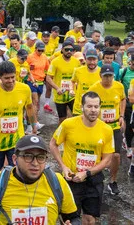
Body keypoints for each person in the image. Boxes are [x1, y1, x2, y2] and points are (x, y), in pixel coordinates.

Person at [50, 92, 114, 225]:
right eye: (89, 106)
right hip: (71, 179)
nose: (93, 110)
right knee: (69, 220)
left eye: (96, 107)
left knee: (90, 220)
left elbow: (107, 159)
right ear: (81, 106)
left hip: (93, 180)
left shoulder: (106, 130)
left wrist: (87, 173)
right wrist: (63, 166)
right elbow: (53, 144)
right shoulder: (68, 124)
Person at [0, 61, 35, 171]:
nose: (11, 81)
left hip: (16, 141)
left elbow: (29, 108)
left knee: (18, 173)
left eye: (12, 77)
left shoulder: (24, 89)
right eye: (7, 78)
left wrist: (34, 126)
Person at [88, 64, 126, 195]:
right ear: (100, 76)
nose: (108, 79)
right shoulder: (94, 89)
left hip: (114, 125)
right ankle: (93, 177)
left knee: (116, 155)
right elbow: (88, 106)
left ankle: (113, 181)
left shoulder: (119, 86)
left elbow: (123, 99)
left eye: (110, 76)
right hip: (99, 125)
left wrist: (121, 115)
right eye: (106, 76)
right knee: (96, 154)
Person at [46, 40, 81, 124]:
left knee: (76, 116)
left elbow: (79, 77)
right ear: (62, 50)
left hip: (72, 94)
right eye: (66, 49)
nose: (69, 51)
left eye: (71, 50)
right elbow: (48, 78)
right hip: (60, 95)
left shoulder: (76, 62)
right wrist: (57, 88)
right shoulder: (55, 62)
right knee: (62, 118)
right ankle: (61, 135)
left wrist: (76, 86)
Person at [71, 49, 100, 115]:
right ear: (85, 59)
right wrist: (71, 90)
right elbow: (72, 81)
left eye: (94, 60)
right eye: (89, 60)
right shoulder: (78, 71)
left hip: (94, 109)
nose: (92, 62)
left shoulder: (101, 73)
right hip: (79, 108)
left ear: (97, 60)